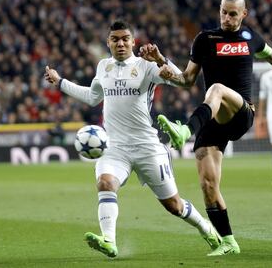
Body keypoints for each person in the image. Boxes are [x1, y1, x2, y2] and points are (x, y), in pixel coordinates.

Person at [139, 0, 272, 256]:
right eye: (223, 12)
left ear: (244, 13)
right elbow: (186, 80)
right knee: (208, 186)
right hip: (212, 119)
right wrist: (160, 60)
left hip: (241, 112)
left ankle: (184, 131)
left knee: (216, 87)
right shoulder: (205, 39)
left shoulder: (250, 37)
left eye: (232, 14)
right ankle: (229, 241)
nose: (226, 18)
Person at [44, 19, 221, 258]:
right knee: (106, 183)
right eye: (115, 39)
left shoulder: (145, 65)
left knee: (174, 206)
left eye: (125, 39)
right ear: (108, 42)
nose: (120, 43)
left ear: (133, 42)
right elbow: (92, 97)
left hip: (148, 147)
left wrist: (160, 59)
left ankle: (206, 227)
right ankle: (109, 240)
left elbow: (183, 80)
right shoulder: (103, 67)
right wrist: (61, 82)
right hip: (115, 148)